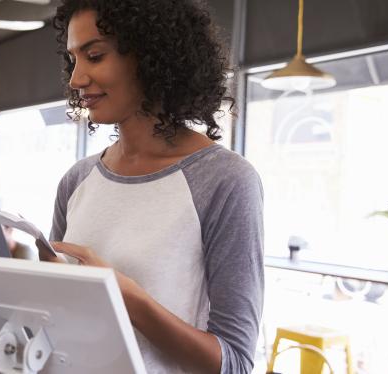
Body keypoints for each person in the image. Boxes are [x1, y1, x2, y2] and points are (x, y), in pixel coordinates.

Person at [47, 1, 264, 373]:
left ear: (150, 57)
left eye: (95, 56)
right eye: (73, 60)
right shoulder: (77, 180)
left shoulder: (225, 181)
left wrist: (126, 298)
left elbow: (235, 363)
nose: (76, 79)